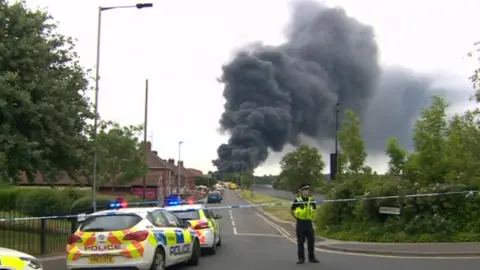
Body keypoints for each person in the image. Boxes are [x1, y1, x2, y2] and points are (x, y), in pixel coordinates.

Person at [291, 184, 319, 264]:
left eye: (308, 190)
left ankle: (312, 258)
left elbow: (314, 209)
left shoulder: (311, 199)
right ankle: (301, 258)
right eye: (305, 190)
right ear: (301, 191)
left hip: (309, 223)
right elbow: (292, 210)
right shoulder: (297, 200)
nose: (306, 191)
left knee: (311, 242)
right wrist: (296, 218)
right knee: (300, 242)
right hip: (300, 223)